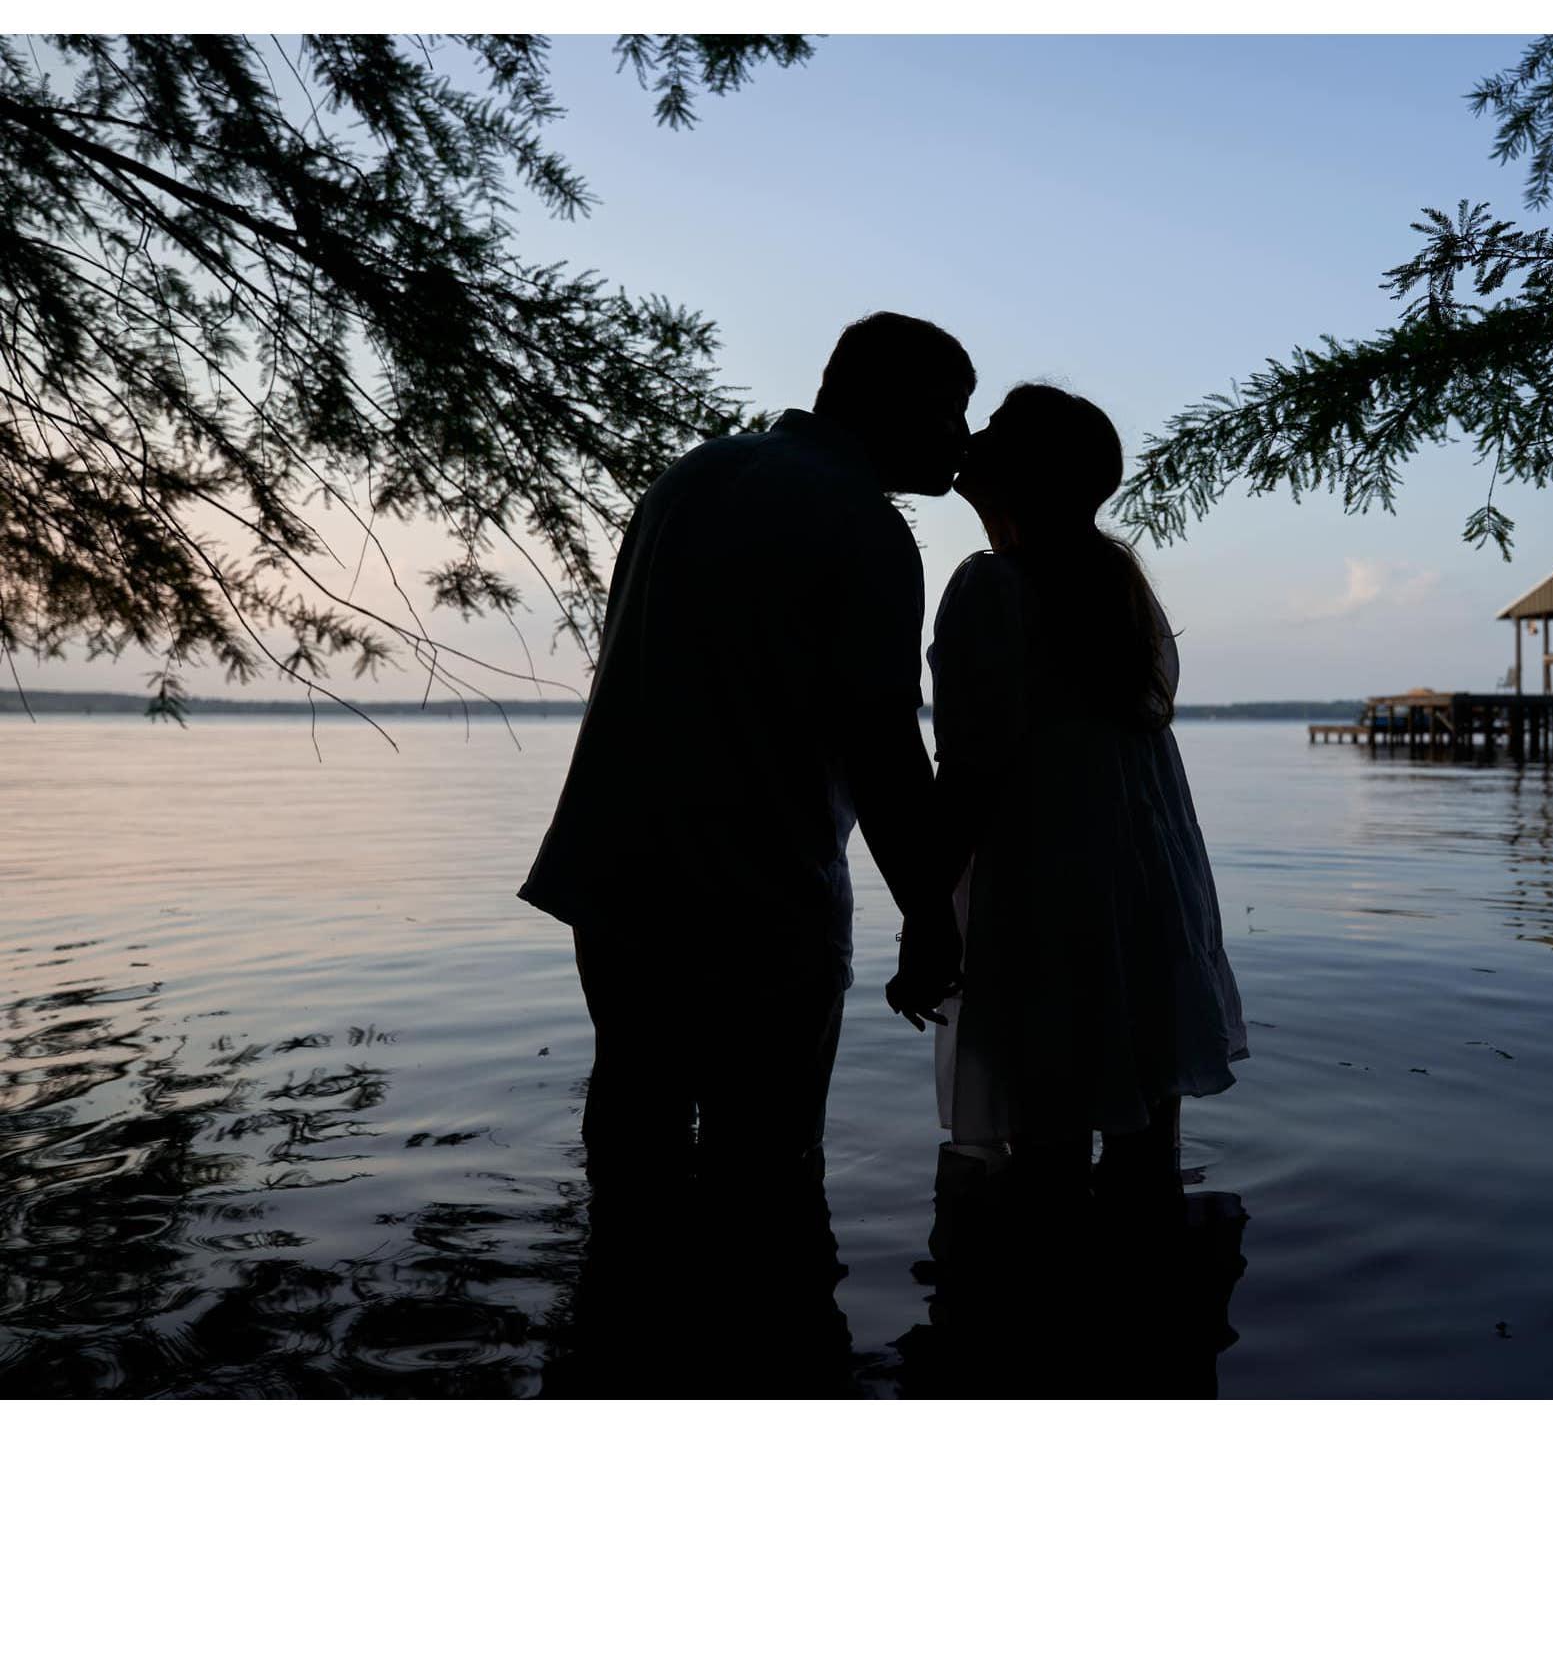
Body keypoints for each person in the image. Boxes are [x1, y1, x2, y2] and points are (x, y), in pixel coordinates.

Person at [521, 312, 972, 1193]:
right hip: (757, 900)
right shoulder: (864, 524)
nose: (963, 435)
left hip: (614, 879)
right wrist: (929, 915)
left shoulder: (692, 476)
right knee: (766, 1166)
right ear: (897, 402)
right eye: (952, 408)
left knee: (631, 1132)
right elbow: (882, 742)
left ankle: (619, 1279)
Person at [928, 383, 1248, 1199]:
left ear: (1027, 470)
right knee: (1146, 1128)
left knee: (1047, 1139)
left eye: (994, 429)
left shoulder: (993, 587)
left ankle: (1046, 1273)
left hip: (1051, 879)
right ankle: (1149, 1264)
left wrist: (926, 918)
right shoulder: (1115, 582)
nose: (971, 436)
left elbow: (968, 766)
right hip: (1146, 880)